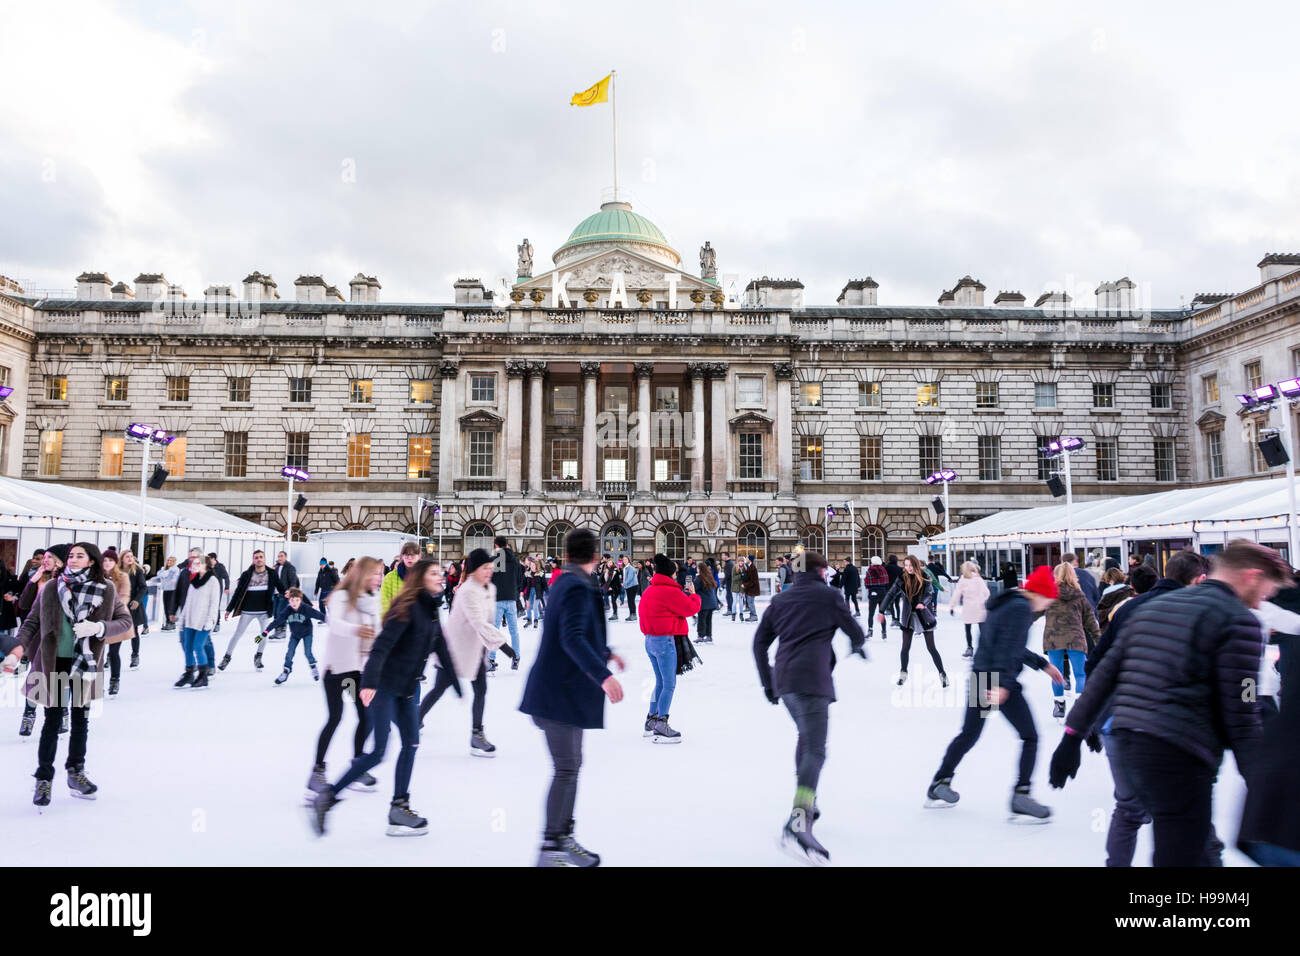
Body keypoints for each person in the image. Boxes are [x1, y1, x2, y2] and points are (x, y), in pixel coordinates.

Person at [1050, 540, 1288, 866]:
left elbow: (1104, 674)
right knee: (1182, 854)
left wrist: (1072, 737)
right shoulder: (1240, 621)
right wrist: (1261, 784)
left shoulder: (1151, 607)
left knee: (1187, 843)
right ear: (1251, 576)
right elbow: (1243, 705)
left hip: (1130, 741)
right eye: (1267, 590)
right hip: (1180, 751)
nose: (1264, 601)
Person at [310, 559, 455, 837]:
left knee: (410, 743)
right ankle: (326, 794)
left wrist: (454, 679)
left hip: (401, 685)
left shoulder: (429, 608)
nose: (442, 576)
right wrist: (371, 681)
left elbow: (439, 644)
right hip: (363, 677)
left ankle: (398, 807)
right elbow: (379, 643)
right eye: (434, 573)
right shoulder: (403, 607)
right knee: (372, 745)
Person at [519, 528, 626, 866]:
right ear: (595, 555)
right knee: (567, 768)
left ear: (567, 555)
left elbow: (577, 634)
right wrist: (604, 676)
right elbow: (572, 637)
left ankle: (562, 838)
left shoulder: (567, 582)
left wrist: (606, 653)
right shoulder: (577, 586)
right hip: (558, 694)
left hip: (558, 691)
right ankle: (552, 847)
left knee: (570, 766)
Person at [753, 550, 866, 865]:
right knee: (816, 750)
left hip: (785, 681)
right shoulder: (829, 596)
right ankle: (800, 819)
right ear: (820, 571)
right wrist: (858, 644)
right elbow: (853, 629)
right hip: (813, 681)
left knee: (806, 738)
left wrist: (767, 682)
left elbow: (759, 642)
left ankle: (807, 798)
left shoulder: (781, 600)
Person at [925, 566, 1063, 822]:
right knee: (1030, 737)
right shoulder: (1021, 610)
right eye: (1049, 600)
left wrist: (1042, 665)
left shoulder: (1008, 604)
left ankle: (939, 782)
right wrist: (1003, 684)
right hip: (998, 681)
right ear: (1041, 593)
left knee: (969, 734)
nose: (1047, 606)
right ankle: (1021, 794)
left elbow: (1007, 645)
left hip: (982, 676)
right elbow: (1008, 650)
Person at [3, 542, 133, 807]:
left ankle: (76, 772)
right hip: (53, 662)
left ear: (92, 561)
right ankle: (44, 779)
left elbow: (125, 621)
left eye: (79, 556)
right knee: (51, 722)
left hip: (84, 665)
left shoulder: (106, 589)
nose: (73, 559)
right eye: (71, 555)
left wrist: (98, 627)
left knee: (80, 721)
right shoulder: (52, 587)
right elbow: (32, 622)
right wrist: (17, 650)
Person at [421, 548, 515, 755]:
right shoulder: (467, 591)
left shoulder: (489, 588)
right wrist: (504, 646)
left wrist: (491, 644)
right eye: (485, 568)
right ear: (474, 570)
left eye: (491, 568)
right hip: (454, 651)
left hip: (475, 649)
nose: (489, 572)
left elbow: (486, 623)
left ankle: (476, 734)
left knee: (481, 690)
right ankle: (414, 720)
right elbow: (478, 622)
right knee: (439, 688)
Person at [308, 557, 383, 802]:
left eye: (381, 574)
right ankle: (317, 771)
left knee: (366, 716)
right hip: (336, 669)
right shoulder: (342, 598)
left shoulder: (373, 601)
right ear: (362, 574)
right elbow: (335, 624)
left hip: (356, 671)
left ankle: (357, 765)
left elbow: (378, 633)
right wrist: (356, 630)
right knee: (335, 717)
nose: (379, 578)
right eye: (375, 573)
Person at [637, 554, 701, 743]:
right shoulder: (670, 591)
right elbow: (690, 609)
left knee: (660, 682)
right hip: (664, 641)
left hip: (650, 640)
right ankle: (661, 723)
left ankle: (651, 720)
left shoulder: (650, 590)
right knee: (669, 683)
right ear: (670, 573)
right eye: (674, 571)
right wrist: (694, 594)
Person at [879, 555, 948, 687]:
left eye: (910, 565)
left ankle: (942, 674)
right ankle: (903, 673)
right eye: (906, 565)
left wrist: (923, 603)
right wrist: (882, 610)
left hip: (924, 616)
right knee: (905, 648)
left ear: (916, 565)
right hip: (908, 617)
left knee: (931, 648)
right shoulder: (902, 578)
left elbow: (929, 593)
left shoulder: (925, 576)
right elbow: (891, 594)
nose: (908, 568)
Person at [1043, 562, 1099, 720]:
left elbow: (1033, 612)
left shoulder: (1049, 594)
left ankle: (1059, 706)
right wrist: (1098, 638)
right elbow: (1090, 620)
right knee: (1080, 674)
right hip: (1075, 638)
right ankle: (1079, 705)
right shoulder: (1079, 595)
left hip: (1053, 639)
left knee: (1057, 674)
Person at [220, 550, 284, 671]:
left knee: (263, 635)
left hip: (264, 612)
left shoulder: (272, 574)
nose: (259, 559)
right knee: (237, 635)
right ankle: (226, 658)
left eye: (261, 557)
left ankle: (258, 656)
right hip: (247, 611)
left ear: (264, 559)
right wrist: (229, 609)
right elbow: (238, 593)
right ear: (253, 560)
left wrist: (288, 594)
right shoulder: (246, 574)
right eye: (256, 558)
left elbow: (281, 587)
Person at [173, 554, 222, 690]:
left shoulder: (213, 581)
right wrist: (182, 619)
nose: (193, 566)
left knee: (198, 646)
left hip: (203, 621)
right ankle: (189, 674)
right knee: (188, 646)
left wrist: (211, 620)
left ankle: (203, 675)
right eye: (193, 564)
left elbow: (214, 603)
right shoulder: (194, 582)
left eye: (197, 563)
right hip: (190, 620)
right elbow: (188, 602)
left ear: (205, 565)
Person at [260, 587, 326, 685]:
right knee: (290, 652)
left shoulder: (306, 609)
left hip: (307, 633)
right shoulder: (288, 610)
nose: (294, 603)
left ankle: (313, 667)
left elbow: (320, 616)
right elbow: (277, 621)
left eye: (297, 600)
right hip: (295, 634)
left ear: (301, 600)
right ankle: (286, 671)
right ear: (288, 600)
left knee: (308, 653)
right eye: (292, 600)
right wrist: (266, 631)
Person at [100, 548, 134, 697]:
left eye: (111, 560)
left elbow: (125, 596)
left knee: (114, 652)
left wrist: (114, 609)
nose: (107, 563)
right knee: (98, 653)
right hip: (99, 619)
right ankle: (97, 683)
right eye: (105, 560)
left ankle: (115, 680)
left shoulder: (122, 576)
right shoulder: (96, 576)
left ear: (115, 562)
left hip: (116, 619)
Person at [490, 536, 523, 669]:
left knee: (494, 630)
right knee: (514, 630)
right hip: (511, 598)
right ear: (507, 545)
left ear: (496, 545)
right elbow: (520, 579)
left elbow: (492, 579)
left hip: (498, 599)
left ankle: (491, 659)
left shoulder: (497, 558)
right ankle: (516, 657)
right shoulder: (515, 560)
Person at [948, 560, 990, 659]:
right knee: (983, 630)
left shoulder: (963, 580)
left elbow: (957, 594)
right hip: (980, 608)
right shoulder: (979, 579)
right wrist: (982, 600)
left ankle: (969, 648)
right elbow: (987, 593)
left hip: (968, 608)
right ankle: (985, 650)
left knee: (968, 629)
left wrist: (952, 606)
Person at [381, 542, 420, 617]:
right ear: (402, 557)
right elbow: (384, 603)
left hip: (421, 624)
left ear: (419, 556)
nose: (409, 557)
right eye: (406, 554)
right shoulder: (390, 577)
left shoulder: (425, 576)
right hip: (397, 623)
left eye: (413, 554)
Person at [120, 550, 149, 644]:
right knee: (117, 630)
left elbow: (143, 587)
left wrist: (137, 600)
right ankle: (112, 655)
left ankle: (135, 654)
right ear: (122, 558)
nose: (130, 558)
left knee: (134, 629)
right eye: (127, 556)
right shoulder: (117, 570)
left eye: (131, 556)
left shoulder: (137, 570)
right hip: (119, 604)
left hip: (133, 603)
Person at [863, 557, 890, 640]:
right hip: (882, 593)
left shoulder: (869, 570)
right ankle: (884, 632)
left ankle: (870, 631)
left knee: (871, 613)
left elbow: (867, 583)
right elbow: (886, 582)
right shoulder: (883, 570)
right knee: (881, 613)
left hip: (873, 593)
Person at [152, 557, 181, 631]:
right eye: (168, 560)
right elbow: (159, 577)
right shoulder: (163, 570)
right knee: (166, 606)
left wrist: (173, 582)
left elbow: (175, 578)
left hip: (173, 590)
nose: (169, 562)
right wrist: (152, 579)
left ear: (174, 562)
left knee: (171, 607)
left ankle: (172, 623)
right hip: (166, 589)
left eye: (171, 560)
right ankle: (168, 622)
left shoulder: (175, 570)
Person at [694, 561, 718, 645]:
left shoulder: (699, 578)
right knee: (708, 620)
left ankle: (701, 636)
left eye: (697, 568)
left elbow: (694, 588)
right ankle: (708, 635)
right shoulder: (709, 576)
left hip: (704, 603)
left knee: (702, 619)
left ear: (700, 569)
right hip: (711, 602)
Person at [207, 553, 230, 633]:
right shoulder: (208, 566)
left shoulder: (220, 567)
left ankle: (217, 624)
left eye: (209, 558)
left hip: (217, 590)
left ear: (213, 558)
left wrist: (227, 587)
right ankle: (208, 623)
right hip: (208, 589)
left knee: (215, 606)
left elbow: (226, 577)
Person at [741, 556, 760, 622]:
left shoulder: (752, 568)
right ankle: (752, 615)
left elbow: (753, 581)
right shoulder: (749, 567)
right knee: (750, 602)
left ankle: (754, 616)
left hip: (753, 588)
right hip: (750, 588)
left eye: (747, 558)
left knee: (750, 602)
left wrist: (745, 585)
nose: (746, 559)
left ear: (750, 559)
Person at [622, 556, 640, 621]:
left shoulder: (630, 568)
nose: (624, 560)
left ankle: (634, 615)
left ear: (628, 560)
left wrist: (624, 584)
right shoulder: (625, 568)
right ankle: (631, 614)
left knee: (631, 601)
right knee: (630, 601)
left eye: (626, 559)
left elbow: (629, 578)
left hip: (633, 586)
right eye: (623, 559)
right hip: (629, 586)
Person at [720, 551, 735, 620]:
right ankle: (730, 609)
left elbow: (727, 575)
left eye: (723, 555)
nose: (722, 557)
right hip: (730, 582)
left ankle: (730, 610)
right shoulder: (729, 563)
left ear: (726, 556)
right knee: (729, 596)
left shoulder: (729, 564)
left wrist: (722, 583)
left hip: (730, 582)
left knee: (729, 596)